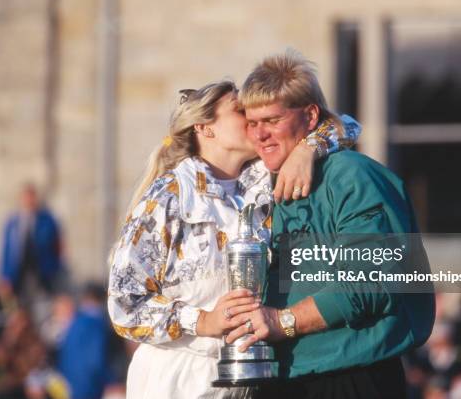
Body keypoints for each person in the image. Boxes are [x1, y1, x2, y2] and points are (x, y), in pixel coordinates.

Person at [108, 80, 360, 398]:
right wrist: (203, 320)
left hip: (247, 375)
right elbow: (124, 303)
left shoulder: (262, 177)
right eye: (240, 111)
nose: (252, 120)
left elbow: (348, 126)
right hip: (176, 376)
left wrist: (307, 150)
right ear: (205, 128)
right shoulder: (170, 194)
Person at [224, 50, 436, 399]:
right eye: (252, 122)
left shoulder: (352, 175)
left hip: (349, 375)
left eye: (272, 120)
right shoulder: (257, 185)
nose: (260, 134)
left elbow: (371, 283)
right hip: (278, 377)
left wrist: (280, 322)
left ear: (309, 117)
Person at [0, 184, 66, 321]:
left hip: (41, 276)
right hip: (17, 276)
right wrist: (4, 276)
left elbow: (57, 247)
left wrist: (53, 270)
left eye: (31, 197)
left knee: (41, 311)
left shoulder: (47, 221)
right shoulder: (13, 223)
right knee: (16, 314)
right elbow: (6, 251)